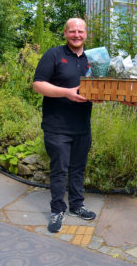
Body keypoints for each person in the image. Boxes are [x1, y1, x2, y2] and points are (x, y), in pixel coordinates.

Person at [33, 17, 96, 233]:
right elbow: (38, 84)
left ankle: (77, 206)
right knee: (59, 170)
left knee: (78, 168)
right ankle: (57, 210)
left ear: (86, 34)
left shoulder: (92, 59)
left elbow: (97, 88)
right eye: (72, 31)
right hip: (57, 126)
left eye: (80, 31)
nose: (76, 35)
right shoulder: (54, 55)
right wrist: (67, 93)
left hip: (82, 126)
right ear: (65, 33)